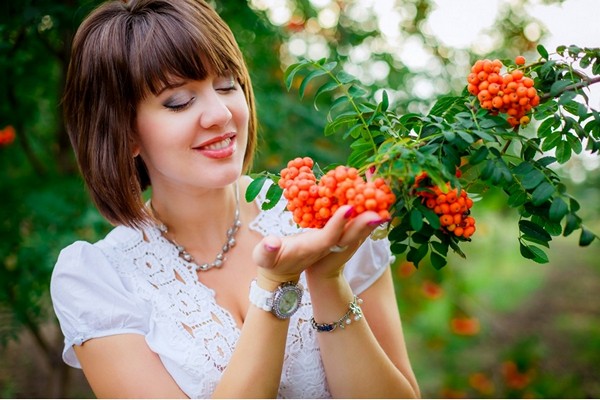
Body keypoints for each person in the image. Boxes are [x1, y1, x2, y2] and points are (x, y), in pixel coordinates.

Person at [50, 0, 420, 398]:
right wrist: (276, 287)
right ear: (125, 132)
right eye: (179, 101)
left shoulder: (323, 213)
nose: (219, 113)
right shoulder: (100, 280)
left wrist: (327, 279)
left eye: (227, 85)